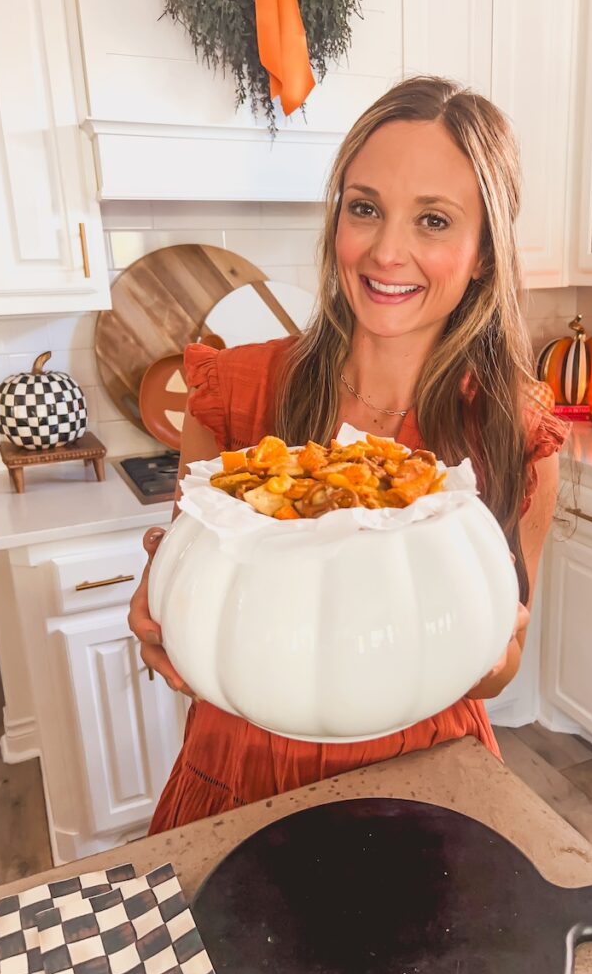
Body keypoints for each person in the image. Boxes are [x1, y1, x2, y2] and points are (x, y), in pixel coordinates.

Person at [128, 75, 569, 833]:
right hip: (244, 773)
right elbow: (193, 610)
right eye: (365, 208)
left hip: (432, 778)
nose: (387, 251)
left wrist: (493, 646)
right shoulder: (233, 397)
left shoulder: (516, 435)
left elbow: (500, 672)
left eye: (433, 220)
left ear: (484, 254)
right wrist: (165, 606)